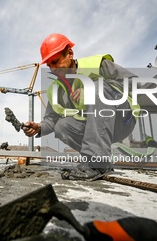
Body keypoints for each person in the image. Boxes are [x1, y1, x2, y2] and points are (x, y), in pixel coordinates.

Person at [22, 33, 139, 180]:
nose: (53, 68)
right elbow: (51, 120)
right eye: (49, 65)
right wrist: (39, 127)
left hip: (122, 120)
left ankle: (97, 161)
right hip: (96, 129)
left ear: (70, 53)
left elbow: (134, 82)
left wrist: (92, 89)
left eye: (56, 61)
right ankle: (99, 161)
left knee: (97, 88)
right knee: (62, 126)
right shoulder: (56, 89)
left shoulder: (96, 64)